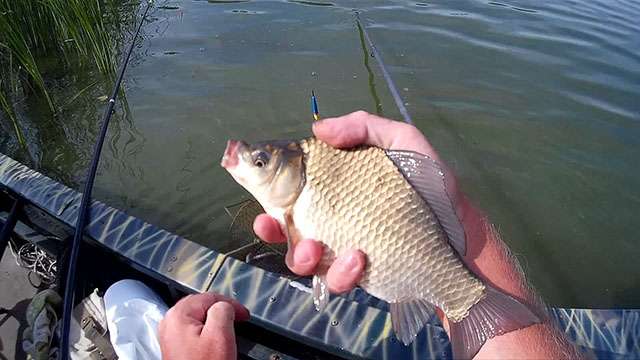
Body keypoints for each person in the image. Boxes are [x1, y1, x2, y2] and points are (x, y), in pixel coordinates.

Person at [159, 111, 580, 360]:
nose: (249, 163)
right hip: (407, 251)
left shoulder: (307, 181)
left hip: (410, 241)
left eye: (261, 161)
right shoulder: (293, 200)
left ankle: (467, 301)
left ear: (291, 168)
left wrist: (458, 233)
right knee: (319, 261)